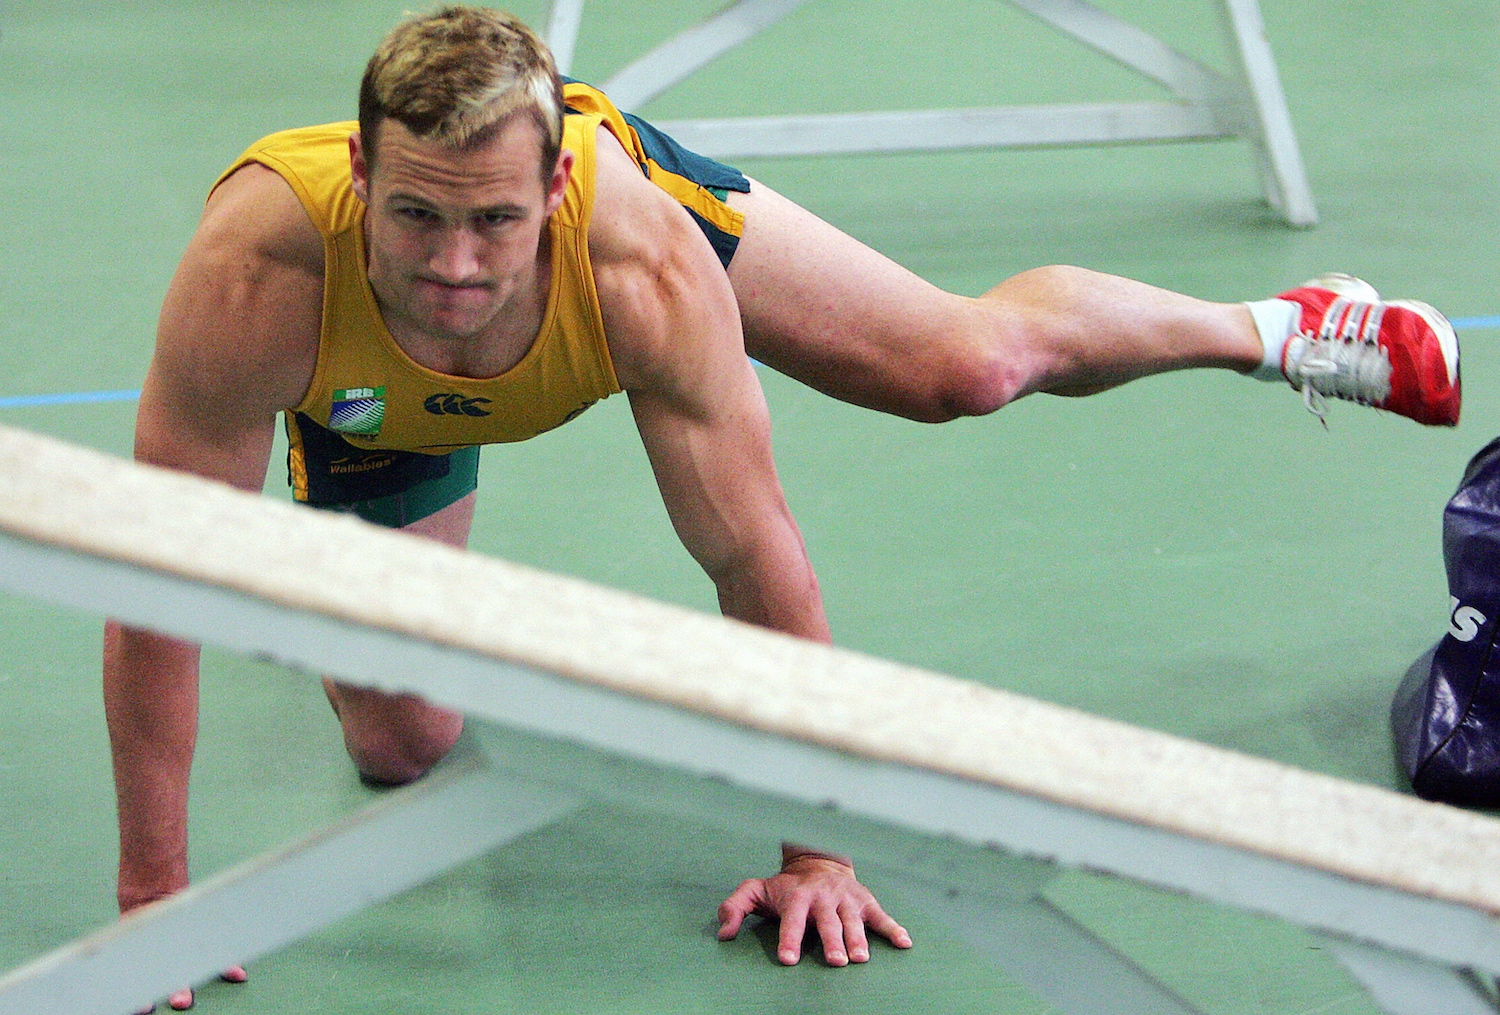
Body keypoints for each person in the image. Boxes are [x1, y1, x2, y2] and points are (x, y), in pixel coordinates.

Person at [106, 5, 1460, 1009]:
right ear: (359, 165)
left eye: (494, 224)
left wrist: (815, 848)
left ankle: (1270, 327)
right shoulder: (256, 284)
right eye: (415, 217)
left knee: (965, 367)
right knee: (402, 742)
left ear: (560, 184)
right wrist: (153, 901)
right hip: (371, 399)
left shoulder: (640, 263)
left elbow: (752, 552)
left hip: (579, 314)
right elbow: (156, 595)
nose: (456, 266)